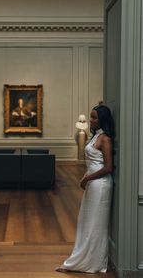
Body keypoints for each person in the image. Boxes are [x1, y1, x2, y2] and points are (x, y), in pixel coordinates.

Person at [56, 104, 115, 273]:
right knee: (87, 222)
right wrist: (86, 178)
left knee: (96, 224)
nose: (90, 120)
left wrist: (87, 178)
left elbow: (108, 167)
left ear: (102, 119)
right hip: (93, 183)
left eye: (94, 117)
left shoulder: (105, 139)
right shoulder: (96, 136)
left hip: (101, 184)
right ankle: (82, 258)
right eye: (91, 116)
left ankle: (91, 262)